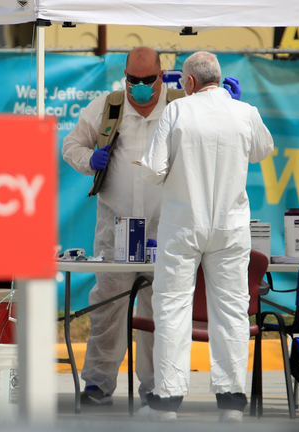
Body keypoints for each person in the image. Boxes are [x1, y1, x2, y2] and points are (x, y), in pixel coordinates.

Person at [61, 47, 242, 407]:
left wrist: (231, 104)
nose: (140, 87)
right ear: (124, 76)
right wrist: (88, 159)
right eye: (133, 80)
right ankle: (97, 383)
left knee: (159, 312)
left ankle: (157, 387)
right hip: (116, 228)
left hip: (166, 229)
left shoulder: (181, 107)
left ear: (162, 75)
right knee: (107, 310)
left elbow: (222, 133)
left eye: (148, 80)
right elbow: (71, 145)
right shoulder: (107, 108)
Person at [137, 51, 274, 423]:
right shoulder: (244, 112)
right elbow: (263, 149)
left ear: (191, 83)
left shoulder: (177, 112)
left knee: (172, 305)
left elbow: (152, 171)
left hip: (183, 222)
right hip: (230, 226)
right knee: (231, 309)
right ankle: (231, 400)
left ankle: (168, 399)